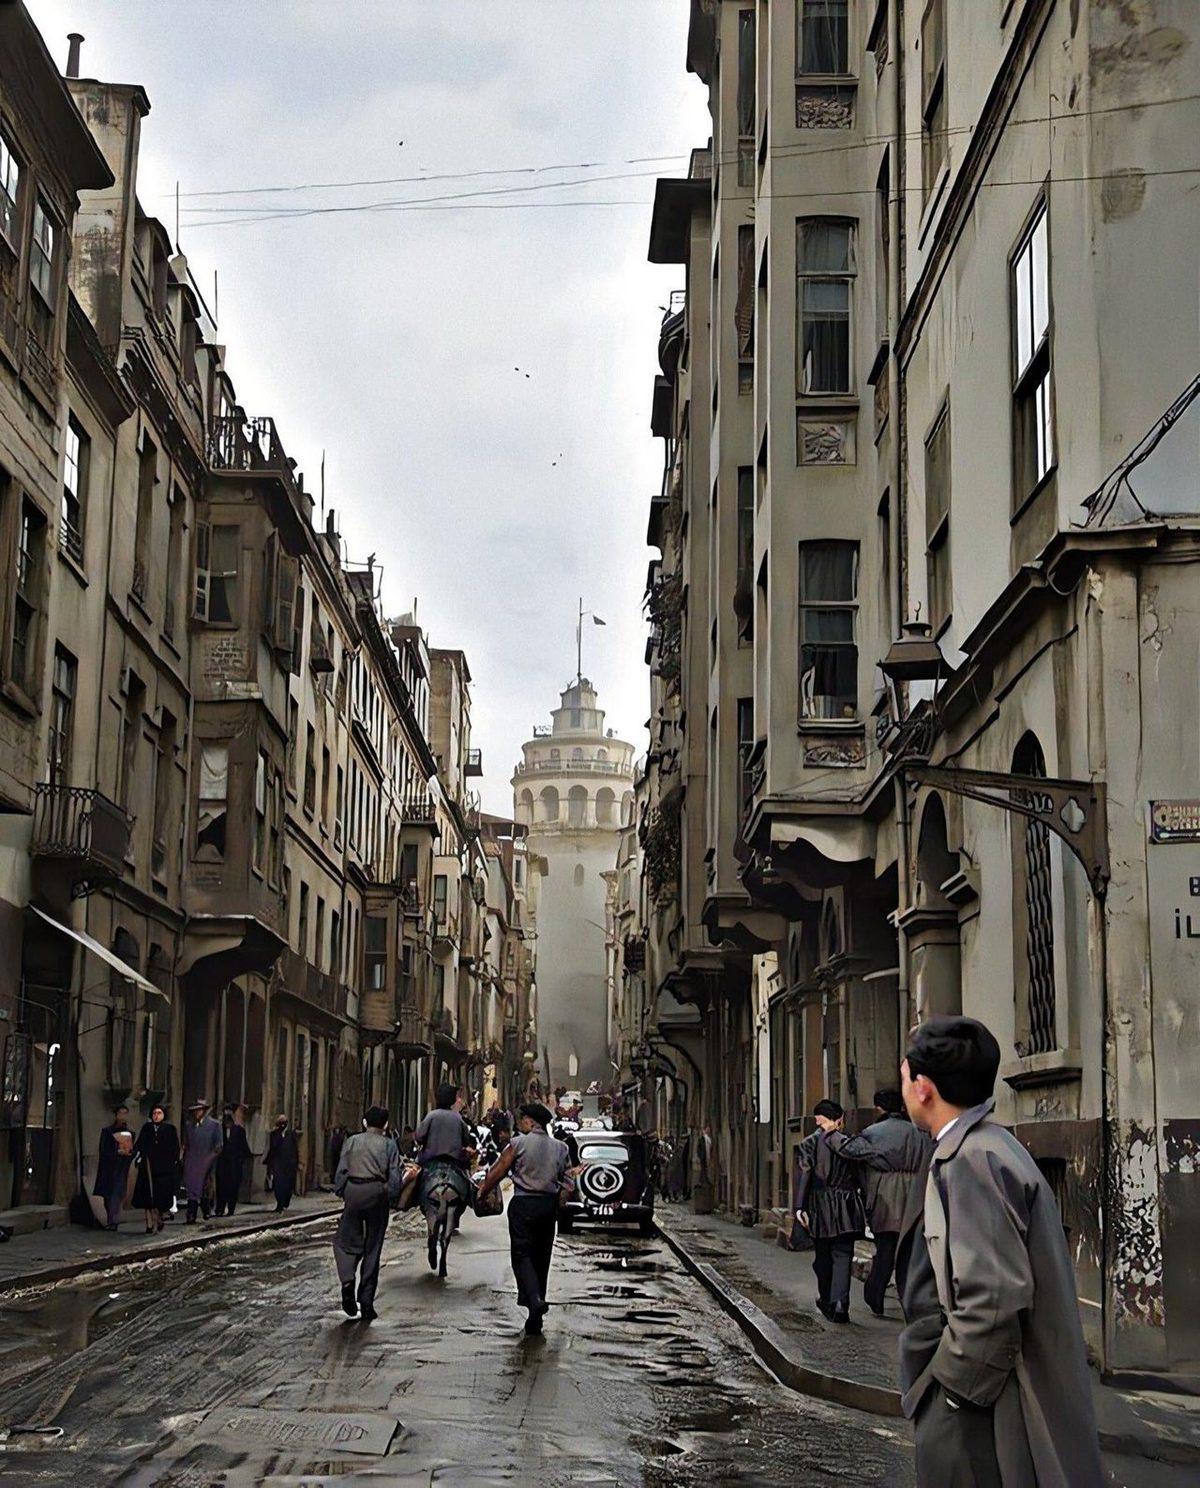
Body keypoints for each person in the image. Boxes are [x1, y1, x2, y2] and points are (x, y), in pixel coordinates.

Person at [896, 1016, 1103, 1486]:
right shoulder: (981, 1147)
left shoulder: (973, 1160)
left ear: (924, 1087)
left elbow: (992, 1301)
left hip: (982, 1410)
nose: (903, 1086)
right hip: (983, 1398)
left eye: (906, 1075)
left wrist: (947, 1394)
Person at [820, 1088, 930, 1315]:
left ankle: (875, 1295)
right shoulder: (919, 1132)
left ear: (879, 1108)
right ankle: (909, 1303)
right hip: (915, 1197)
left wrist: (832, 1134)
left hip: (884, 1195)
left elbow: (851, 1150)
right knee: (908, 1253)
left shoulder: (873, 1132)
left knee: (885, 1250)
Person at [477, 1101, 571, 1335]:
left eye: (522, 1120)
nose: (520, 1124)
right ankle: (534, 1317)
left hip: (523, 1204)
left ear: (530, 1121)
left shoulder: (517, 1144)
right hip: (547, 1207)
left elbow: (498, 1171)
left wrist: (483, 1192)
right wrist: (559, 1206)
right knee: (542, 1257)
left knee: (522, 1254)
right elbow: (568, 1183)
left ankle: (534, 1300)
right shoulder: (561, 1148)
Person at [794, 1099, 867, 1323]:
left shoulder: (809, 1143)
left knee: (823, 1256)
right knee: (843, 1255)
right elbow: (860, 1173)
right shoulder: (849, 1142)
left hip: (820, 1205)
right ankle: (840, 1304)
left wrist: (800, 1207)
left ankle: (827, 1299)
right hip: (846, 1203)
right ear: (839, 1119)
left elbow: (805, 1174)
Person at [333, 1105, 403, 1321]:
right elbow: (394, 1176)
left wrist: (342, 1191)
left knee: (345, 1241)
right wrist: (390, 1196)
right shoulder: (389, 1145)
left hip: (354, 1191)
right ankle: (366, 1302)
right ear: (385, 1125)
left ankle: (347, 1280)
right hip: (376, 1192)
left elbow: (342, 1170)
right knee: (373, 1246)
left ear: (364, 1123)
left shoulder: (352, 1141)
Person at [413, 1082, 476, 1266]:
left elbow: (418, 1136)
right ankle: (444, 1253)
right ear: (451, 1101)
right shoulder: (458, 1119)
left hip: (431, 1165)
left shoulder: (431, 1116)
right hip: (454, 1165)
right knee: (467, 1189)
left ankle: (429, 1227)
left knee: (415, 1186)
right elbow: (467, 1139)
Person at [132, 1104, 180, 1233]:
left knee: (160, 1197)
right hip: (147, 1168)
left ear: (163, 1115)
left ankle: (159, 1219)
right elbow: (139, 1144)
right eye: (154, 1113)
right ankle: (148, 1224)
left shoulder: (170, 1129)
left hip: (163, 1170)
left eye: (159, 1113)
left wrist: (172, 1163)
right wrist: (137, 1156)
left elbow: (175, 1148)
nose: (156, 1116)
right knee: (147, 1197)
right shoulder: (146, 1128)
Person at [181, 1099, 223, 1223]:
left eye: (199, 1110)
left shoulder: (214, 1125)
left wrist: (210, 1159)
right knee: (191, 1188)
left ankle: (206, 1210)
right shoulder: (189, 1126)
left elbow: (219, 1146)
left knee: (205, 1187)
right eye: (194, 1111)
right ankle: (191, 1213)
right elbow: (186, 1143)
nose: (196, 1113)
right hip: (192, 1160)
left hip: (207, 1160)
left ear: (204, 1111)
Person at [94, 1105, 134, 1231]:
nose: (123, 1116)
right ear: (116, 1115)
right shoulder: (107, 1132)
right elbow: (103, 1149)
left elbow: (133, 1149)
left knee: (117, 1194)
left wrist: (129, 1153)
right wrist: (116, 1152)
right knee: (107, 1195)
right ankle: (111, 1218)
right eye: (121, 1113)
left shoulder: (131, 1133)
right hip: (108, 1167)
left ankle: (113, 1220)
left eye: (125, 1114)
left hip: (121, 1168)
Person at [214, 1104, 252, 1217]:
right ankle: (219, 1209)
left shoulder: (239, 1131)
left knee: (233, 1188)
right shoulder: (218, 1130)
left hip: (235, 1165)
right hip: (222, 1164)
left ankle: (230, 1209)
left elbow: (244, 1148)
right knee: (221, 1187)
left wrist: (240, 1160)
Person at [265, 1114, 300, 1211]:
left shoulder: (291, 1134)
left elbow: (295, 1149)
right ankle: (279, 1203)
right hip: (278, 1164)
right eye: (280, 1123)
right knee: (278, 1184)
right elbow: (272, 1149)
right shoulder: (274, 1134)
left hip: (289, 1164)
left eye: (283, 1123)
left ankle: (285, 1201)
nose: (282, 1126)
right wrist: (269, 1164)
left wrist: (296, 1162)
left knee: (288, 1184)